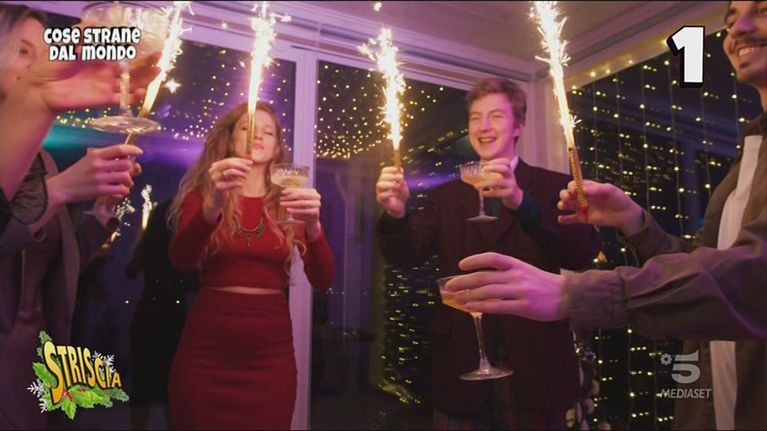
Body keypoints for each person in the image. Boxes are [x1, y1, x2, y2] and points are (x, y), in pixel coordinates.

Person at [447, 1, 767, 429]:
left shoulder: (549, 182)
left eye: (762, 10)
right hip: (462, 379)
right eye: (730, 18)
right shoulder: (748, 156)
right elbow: (708, 269)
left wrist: (529, 215)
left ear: (519, 125)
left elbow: (751, 278)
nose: (738, 27)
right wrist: (634, 221)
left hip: (537, 376)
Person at [375, 77, 602, 429]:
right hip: (461, 367)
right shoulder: (447, 196)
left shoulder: (553, 185)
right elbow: (407, 254)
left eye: (495, 116)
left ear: (519, 126)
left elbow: (582, 253)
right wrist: (396, 215)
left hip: (536, 366)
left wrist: (521, 203)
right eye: (475, 117)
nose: (483, 127)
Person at [0, 5, 160, 429]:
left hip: (37, 360)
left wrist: (100, 213)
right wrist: (59, 191)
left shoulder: (43, 160)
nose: (37, 64)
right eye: (23, 50)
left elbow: (58, 264)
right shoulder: (48, 172)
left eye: (44, 52)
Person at [167, 102, 336, 429]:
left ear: (277, 148)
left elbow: (323, 279)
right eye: (247, 128)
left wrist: (314, 227)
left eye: (267, 132)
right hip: (206, 353)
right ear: (230, 140)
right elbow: (181, 260)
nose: (258, 136)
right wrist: (212, 206)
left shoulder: (289, 201)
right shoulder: (204, 195)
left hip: (269, 358)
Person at [125, 199, 199, 430]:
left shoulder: (147, 248)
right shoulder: (176, 252)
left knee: (142, 383)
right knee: (171, 384)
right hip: (172, 317)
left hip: (147, 315)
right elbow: (192, 282)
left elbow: (130, 271)